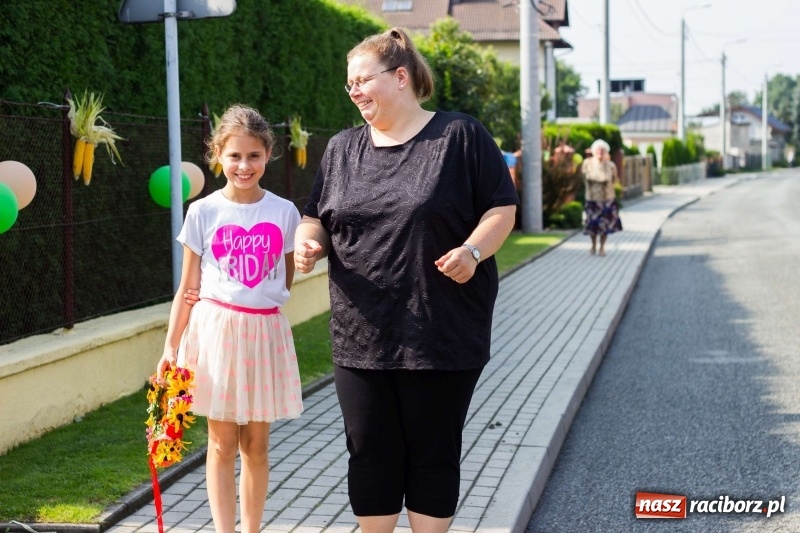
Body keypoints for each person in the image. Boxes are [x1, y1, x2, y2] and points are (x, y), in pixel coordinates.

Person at [294, 27, 518, 533]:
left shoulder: (459, 136)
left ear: (400, 77)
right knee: (368, 451)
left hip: (441, 332)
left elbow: (501, 209)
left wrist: (473, 250)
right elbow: (316, 217)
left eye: (361, 80)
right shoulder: (341, 149)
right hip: (360, 333)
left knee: (431, 453)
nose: (353, 91)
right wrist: (308, 242)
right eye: (348, 84)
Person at [156, 104, 303, 533]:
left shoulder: (285, 212)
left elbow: (284, 278)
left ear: (268, 154)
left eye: (254, 156)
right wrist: (170, 348)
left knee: (256, 445)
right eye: (234, 155)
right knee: (221, 443)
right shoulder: (202, 212)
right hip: (215, 335)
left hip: (263, 334)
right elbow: (188, 287)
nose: (244, 165)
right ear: (217, 154)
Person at [581, 138, 622, 256]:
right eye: (598, 150)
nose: (600, 152)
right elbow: (583, 178)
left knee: (605, 226)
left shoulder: (610, 165)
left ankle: (602, 247)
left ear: (606, 152)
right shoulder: (587, 163)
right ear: (593, 151)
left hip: (607, 199)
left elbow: (615, 180)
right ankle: (593, 244)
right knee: (592, 225)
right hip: (592, 198)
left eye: (602, 150)